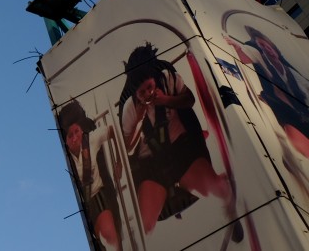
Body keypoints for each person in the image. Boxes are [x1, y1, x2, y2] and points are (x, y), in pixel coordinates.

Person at [120, 43, 236, 238]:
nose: (147, 94)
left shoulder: (168, 79)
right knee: (145, 225)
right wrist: (139, 119)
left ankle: (232, 216)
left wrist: (165, 100)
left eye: (149, 87)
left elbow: (189, 100)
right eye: (142, 93)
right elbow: (127, 148)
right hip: (151, 165)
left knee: (216, 192)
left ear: (153, 79)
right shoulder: (130, 108)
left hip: (182, 150)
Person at [229, 26, 309, 159]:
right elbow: (246, 55)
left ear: (275, 49)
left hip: (303, 113)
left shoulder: (292, 73)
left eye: (268, 45)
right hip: (288, 118)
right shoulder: (264, 64)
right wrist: (237, 48)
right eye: (262, 46)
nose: (267, 49)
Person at [58, 100, 120, 251]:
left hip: (98, 195)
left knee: (111, 237)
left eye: (76, 132)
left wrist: (119, 162)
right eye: (69, 136)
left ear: (81, 129)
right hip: (80, 207)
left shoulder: (91, 139)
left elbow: (112, 130)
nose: (74, 138)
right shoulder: (63, 158)